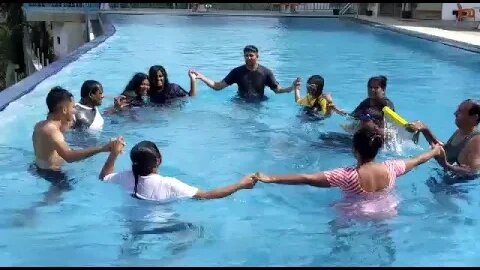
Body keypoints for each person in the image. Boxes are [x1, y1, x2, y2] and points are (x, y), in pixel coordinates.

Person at [253, 127, 443, 196]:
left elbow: (306, 178)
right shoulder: (392, 167)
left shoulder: (346, 176)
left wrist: (270, 177)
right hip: (387, 211)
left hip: (355, 215)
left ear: (354, 150)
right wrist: (434, 150)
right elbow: (417, 159)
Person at [99, 140, 257, 201]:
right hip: (161, 226)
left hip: (131, 225)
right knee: (197, 232)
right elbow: (208, 195)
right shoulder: (169, 184)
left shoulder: (124, 177)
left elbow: (104, 177)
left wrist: (113, 153)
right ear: (158, 160)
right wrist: (240, 184)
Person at [32, 86, 123, 172]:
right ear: (64, 110)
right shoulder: (53, 132)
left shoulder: (40, 125)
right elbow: (69, 157)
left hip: (39, 167)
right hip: (53, 174)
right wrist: (102, 148)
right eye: (72, 107)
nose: (75, 111)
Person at [192, 45, 300, 102]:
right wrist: (201, 77)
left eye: (251, 55)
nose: (248, 57)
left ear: (257, 56)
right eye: (246, 55)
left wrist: (291, 87)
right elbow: (218, 86)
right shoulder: (236, 72)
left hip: (259, 103)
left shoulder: (266, 72)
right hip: (240, 102)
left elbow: (277, 90)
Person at [406, 99, 480, 176]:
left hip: (457, 186)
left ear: (473, 118)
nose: (455, 113)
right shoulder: (460, 131)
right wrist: (424, 129)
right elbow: (445, 151)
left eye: (460, 112)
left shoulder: (476, 141)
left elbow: (474, 172)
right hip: (445, 179)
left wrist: (445, 165)